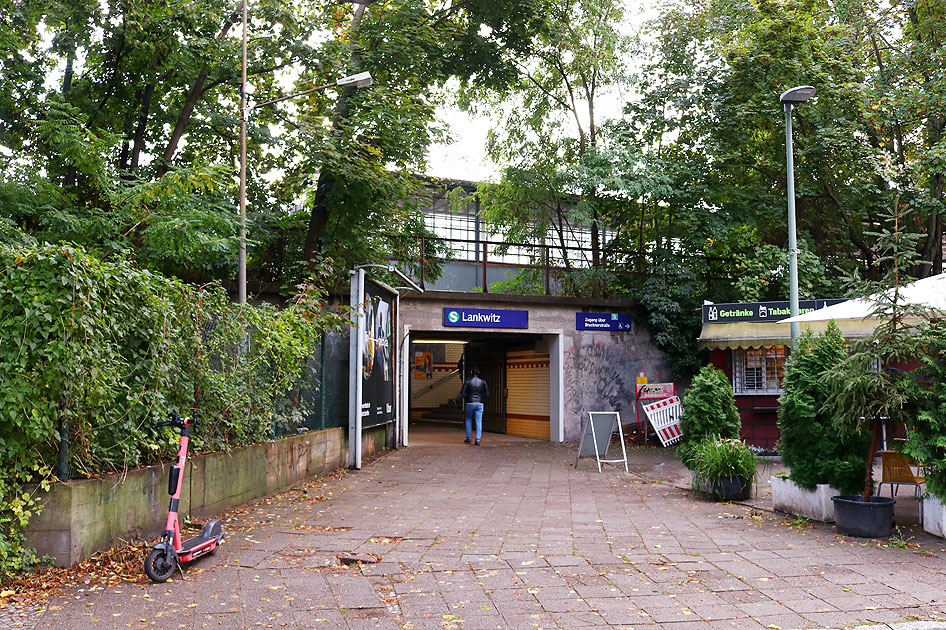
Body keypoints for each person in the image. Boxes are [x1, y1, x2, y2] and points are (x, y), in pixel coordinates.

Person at [458, 366, 488, 445]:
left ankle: (468, 438)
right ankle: (477, 440)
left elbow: (462, 394)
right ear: (478, 372)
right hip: (479, 403)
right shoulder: (483, 382)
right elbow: (487, 394)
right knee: (478, 421)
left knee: (468, 420)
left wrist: (468, 397)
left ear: (471, 372)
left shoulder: (467, 381)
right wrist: (481, 398)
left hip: (470, 403)